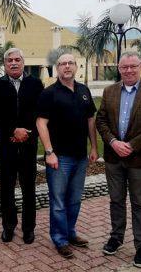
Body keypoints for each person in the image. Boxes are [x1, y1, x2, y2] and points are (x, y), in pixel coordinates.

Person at [96, 52, 141, 268]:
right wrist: (114, 142)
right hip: (113, 156)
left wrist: (132, 146)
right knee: (116, 200)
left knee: (139, 203)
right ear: (119, 68)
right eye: (124, 67)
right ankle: (116, 237)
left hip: (140, 158)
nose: (128, 70)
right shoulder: (109, 92)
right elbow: (101, 120)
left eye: (133, 66)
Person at [36, 53, 98, 258]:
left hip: (80, 157)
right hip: (59, 158)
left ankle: (70, 233)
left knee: (74, 200)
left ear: (76, 67)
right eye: (62, 64)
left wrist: (94, 148)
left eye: (70, 63)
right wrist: (49, 152)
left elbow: (91, 120)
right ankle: (60, 239)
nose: (67, 66)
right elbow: (41, 123)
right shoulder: (49, 93)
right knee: (59, 202)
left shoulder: (84, 90)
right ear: (57, 68)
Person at [0, 47, 44, 243]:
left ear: (23, 62)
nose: (13, 63)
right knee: (7, 189)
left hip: (28, 146)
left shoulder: (35, 84)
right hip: (6, 146)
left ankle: (29, 229)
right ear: (4, 64)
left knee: (29, 189)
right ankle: (8, 227)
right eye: (9, 60)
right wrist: (13, 131)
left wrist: (28, 133)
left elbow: (40, 114)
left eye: (17, 59)